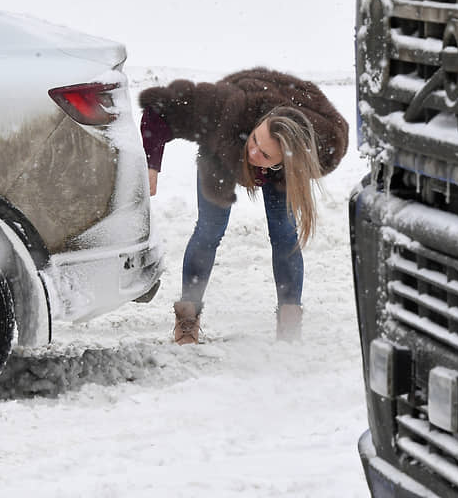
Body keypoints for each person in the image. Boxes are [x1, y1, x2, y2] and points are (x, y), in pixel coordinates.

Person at [139, 68, 348, 345]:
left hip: (285, 157)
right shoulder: (223, 109)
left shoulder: (321, 145)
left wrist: (277, 163)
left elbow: (332, 139)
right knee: (209, 230)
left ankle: (289, 326)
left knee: (284, 233)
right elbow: (159, 108)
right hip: (223, 148)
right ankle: (187, 322)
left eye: (263, 154)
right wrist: (151, 163)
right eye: (255, 142)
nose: (253, 154)